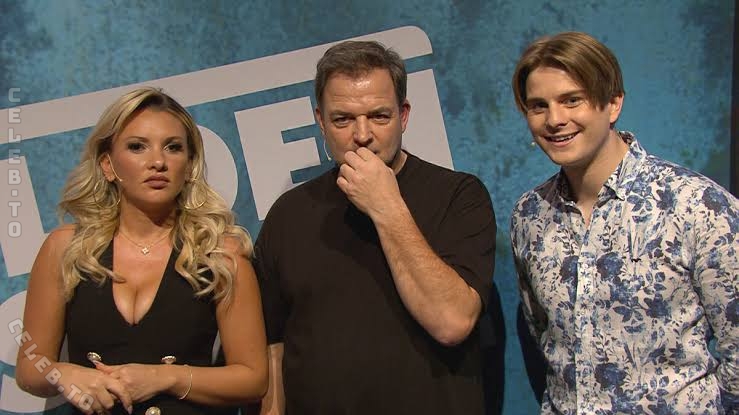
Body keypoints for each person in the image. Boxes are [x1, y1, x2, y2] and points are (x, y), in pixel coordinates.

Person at [251, 41, 496, 415]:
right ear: (320, 121)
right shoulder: (289, 214)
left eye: (379, 116)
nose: (362, 134)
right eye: (343, 119)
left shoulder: (459, 196)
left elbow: (452, 321)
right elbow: (274, 343)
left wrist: (387, 206)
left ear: (404, 115)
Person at [510, 31, 738, 414]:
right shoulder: (530, 215)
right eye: (538, 106)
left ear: (613, 103)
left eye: (572, 100)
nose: (555, 119)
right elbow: (544, 336)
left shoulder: (696, 204)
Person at [15, 87, 268, 414]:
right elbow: (29, 367)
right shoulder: (66, 248)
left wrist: (165, 378)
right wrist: (63, 373)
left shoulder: (220, 254)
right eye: (137, 147)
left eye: (173, 148)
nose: (158, 162)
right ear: (108, 165)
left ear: (190, 165)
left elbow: (252, 378)